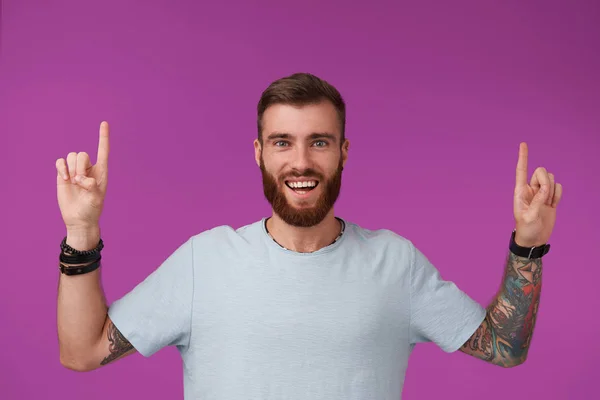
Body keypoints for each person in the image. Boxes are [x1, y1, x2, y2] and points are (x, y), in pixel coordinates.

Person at [55, 73, 563, 399]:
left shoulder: (395, 262)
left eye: (319, 142)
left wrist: (529, 245)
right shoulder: (203, 260)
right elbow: (84, 352)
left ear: (343, 151)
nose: (301, 162)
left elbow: (504, 346)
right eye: (283, 142)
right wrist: (81, 230)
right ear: (259, 152)